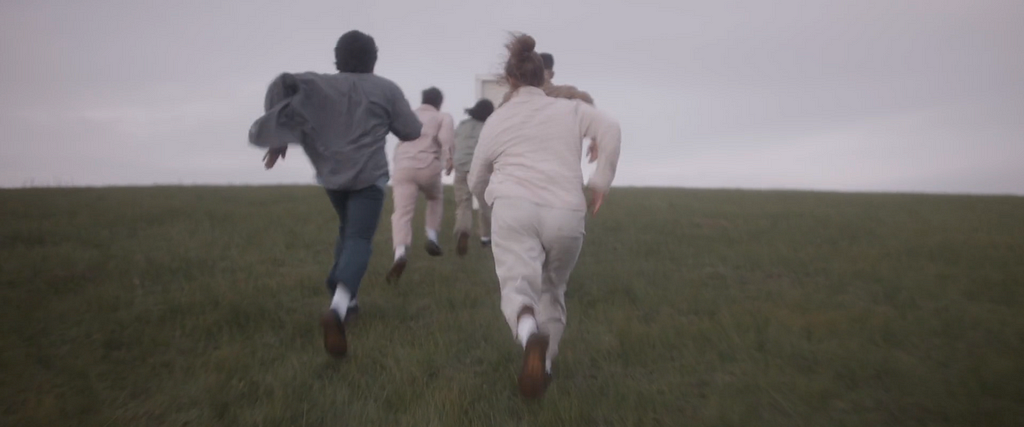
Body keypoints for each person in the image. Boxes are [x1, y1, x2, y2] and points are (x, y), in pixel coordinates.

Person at [248, 30, 422, 358]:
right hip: (368, 178)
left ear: (337, 58)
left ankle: (349, 300)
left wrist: (278, 135)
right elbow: (411, 131)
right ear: (373, 60)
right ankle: (339, 307)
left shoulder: (318, 84)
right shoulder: (385, 89)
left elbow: (280, 84)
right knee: (358, 239)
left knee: (347, 230)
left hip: (332, 178)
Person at [469, 34, 622, 399]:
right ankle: (546, 365)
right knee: (552, 289)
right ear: (543, 79)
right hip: (566, 213)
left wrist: (484, 205)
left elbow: (477, 177)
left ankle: (527, 333)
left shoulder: (498, 119)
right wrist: (600, 181)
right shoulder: (570, 109)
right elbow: (611, 128)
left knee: (517, 287)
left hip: (513, 208)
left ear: (510, 81)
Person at [386, 87, 455, 283]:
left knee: (401, 212)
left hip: (403, 166)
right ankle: (432, 236)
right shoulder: (443, 117)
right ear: (439, 103)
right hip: (428, 166)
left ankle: (399, 252)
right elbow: (446, 139)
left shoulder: (409, 115)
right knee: (435, 197)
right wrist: (449, 159)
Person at [452, 99, 495, 256]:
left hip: (461, 166)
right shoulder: (489, 127)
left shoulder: (463, 125)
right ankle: (486, 238)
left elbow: (454, 143)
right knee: (486, 204)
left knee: (463, 203)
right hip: (479, 168)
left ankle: (463, 230)